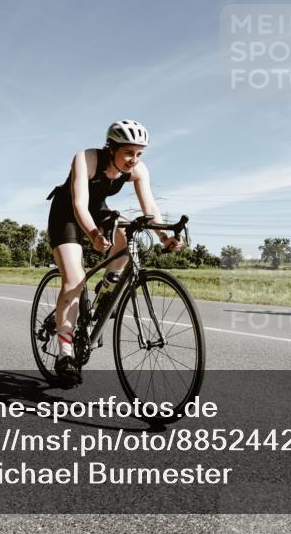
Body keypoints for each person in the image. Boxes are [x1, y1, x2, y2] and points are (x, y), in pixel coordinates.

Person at [45, 120, 181, 385]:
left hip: (98, 211)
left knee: (127, 241)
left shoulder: (138, 170)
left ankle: (107, 288)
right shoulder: (87, 158)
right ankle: (64, 352)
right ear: (112, 148)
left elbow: (149, 207)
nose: (134, 159)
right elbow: (78, 204)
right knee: (75, 280)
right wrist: (94, 235)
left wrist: (164, 237)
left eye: (139, 153)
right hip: (67, 214)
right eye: (129, 152)